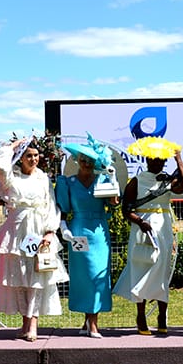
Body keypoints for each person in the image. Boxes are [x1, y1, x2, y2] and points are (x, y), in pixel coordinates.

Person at [0, 137, 67, 341]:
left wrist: (50, 231)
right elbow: (1, 165)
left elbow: (51, 204)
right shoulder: (11, 179)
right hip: (17, 233)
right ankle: (24, 322)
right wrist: (14, 146)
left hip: (38, 229)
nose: (33, 159)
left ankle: (33, 323)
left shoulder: (43, 178)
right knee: (18, 277)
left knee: (37, 276)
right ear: (21, 158)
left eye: (35, 155)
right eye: (28, 156)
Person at [113, 137, 183, 335]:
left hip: (163, 229)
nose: (156, 162)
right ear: (146, 160)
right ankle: (140, 316)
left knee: (162, 270)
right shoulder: (136, 181)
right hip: (143, 230)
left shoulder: (166, 179)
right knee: (142, 268)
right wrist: (140, 222)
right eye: (153, 159)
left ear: (164, 161)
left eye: (160, 160)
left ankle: (162, 316)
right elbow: (126, 209)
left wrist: (179, 160)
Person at [56, 134, 120, 338]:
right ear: (76, 160)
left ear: (95, 162)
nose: (85, 163)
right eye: (82, 159)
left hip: (99, 232)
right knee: (83, 278)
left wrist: (112, 179)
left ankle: (92, 323)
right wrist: (63, 228)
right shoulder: (69, 182)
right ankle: (89, 322)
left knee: (97, 276)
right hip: (78, 232)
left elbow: (114, 203)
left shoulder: (102, 178)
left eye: (90, 160)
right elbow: (63, 209)